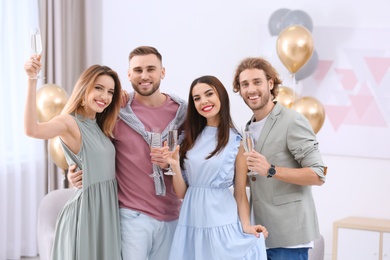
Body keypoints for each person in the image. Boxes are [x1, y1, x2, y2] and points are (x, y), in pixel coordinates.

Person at [68, 46, 187, 260]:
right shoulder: (116, 111)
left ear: (163, 72)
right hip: (131, 217)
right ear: (129, 75)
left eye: (151, 69)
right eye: (138, 70)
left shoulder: (183, 113)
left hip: (173, 216)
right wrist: (73, 169)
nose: (144, 76)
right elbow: (87, 140)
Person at [24, 55, 122, 259]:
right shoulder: (69, 122)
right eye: (98, 88)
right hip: (84, 215)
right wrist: (32, 80)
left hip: (106, 213)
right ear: (84, 88)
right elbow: (31, 130)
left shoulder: (100, 125)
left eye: (110, 91)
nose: (105, 96)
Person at [161, 75, 268, 260]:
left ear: (221, 97)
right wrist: (175, 166)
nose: (204, 101)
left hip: (221, 222)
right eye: (197, 98)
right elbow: (182, 193)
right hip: (190, 222)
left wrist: (246, 226)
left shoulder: (237, 141)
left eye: (209, 94)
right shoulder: (188, 139)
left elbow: (240, 193)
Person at [232, 57, 327, 260]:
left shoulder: (292, 121)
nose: (251, 89)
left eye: (257, 82)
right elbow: (254, 180)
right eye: (245, 84)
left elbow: (318, 174)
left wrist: (271, 170)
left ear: (270, 83)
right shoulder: (247, 128)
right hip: (260, 235)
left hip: (290, 237)